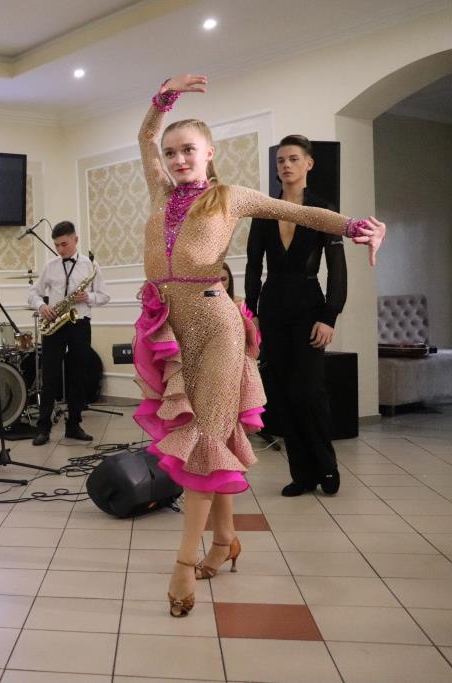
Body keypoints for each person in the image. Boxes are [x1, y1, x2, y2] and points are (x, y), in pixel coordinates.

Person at [131, 74, 385, 618]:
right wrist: (164, 98)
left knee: (205, 440)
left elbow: (303, 214)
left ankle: (184, 562)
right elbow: (145, 136)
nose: (177, 159)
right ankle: (225, 542)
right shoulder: (160, 193)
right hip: (169, 330)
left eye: (188, 150)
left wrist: (356, 226)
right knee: (212, 436)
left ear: (209, 153)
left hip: (216, 326)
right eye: (171, 153)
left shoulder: (230, 197)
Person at [246, 135, 347, 498]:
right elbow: (253, 265)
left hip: (309, 308)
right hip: (272, 308)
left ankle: (327, 466)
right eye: (280, 160)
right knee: (284, 394)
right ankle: (302, 475)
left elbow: (337, 268)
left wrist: (330, 316)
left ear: (308, 164)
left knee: (309, 391)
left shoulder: (322, 210)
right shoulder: (265, 210)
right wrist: (252, 313)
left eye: (293, 159)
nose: (286, 165)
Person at [27, 221, 109, 445]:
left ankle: (74, 425)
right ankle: (43, 427)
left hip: (79, 323)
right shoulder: (50, 266)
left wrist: (89, 297)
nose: (60, 249)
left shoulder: (91, 266)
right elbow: (33, 292)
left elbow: (104, 295)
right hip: (54, 323)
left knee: (78, 375)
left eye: (64, 244)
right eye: (57, 245)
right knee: (50, 376)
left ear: (75, 239)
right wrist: (41, 306)